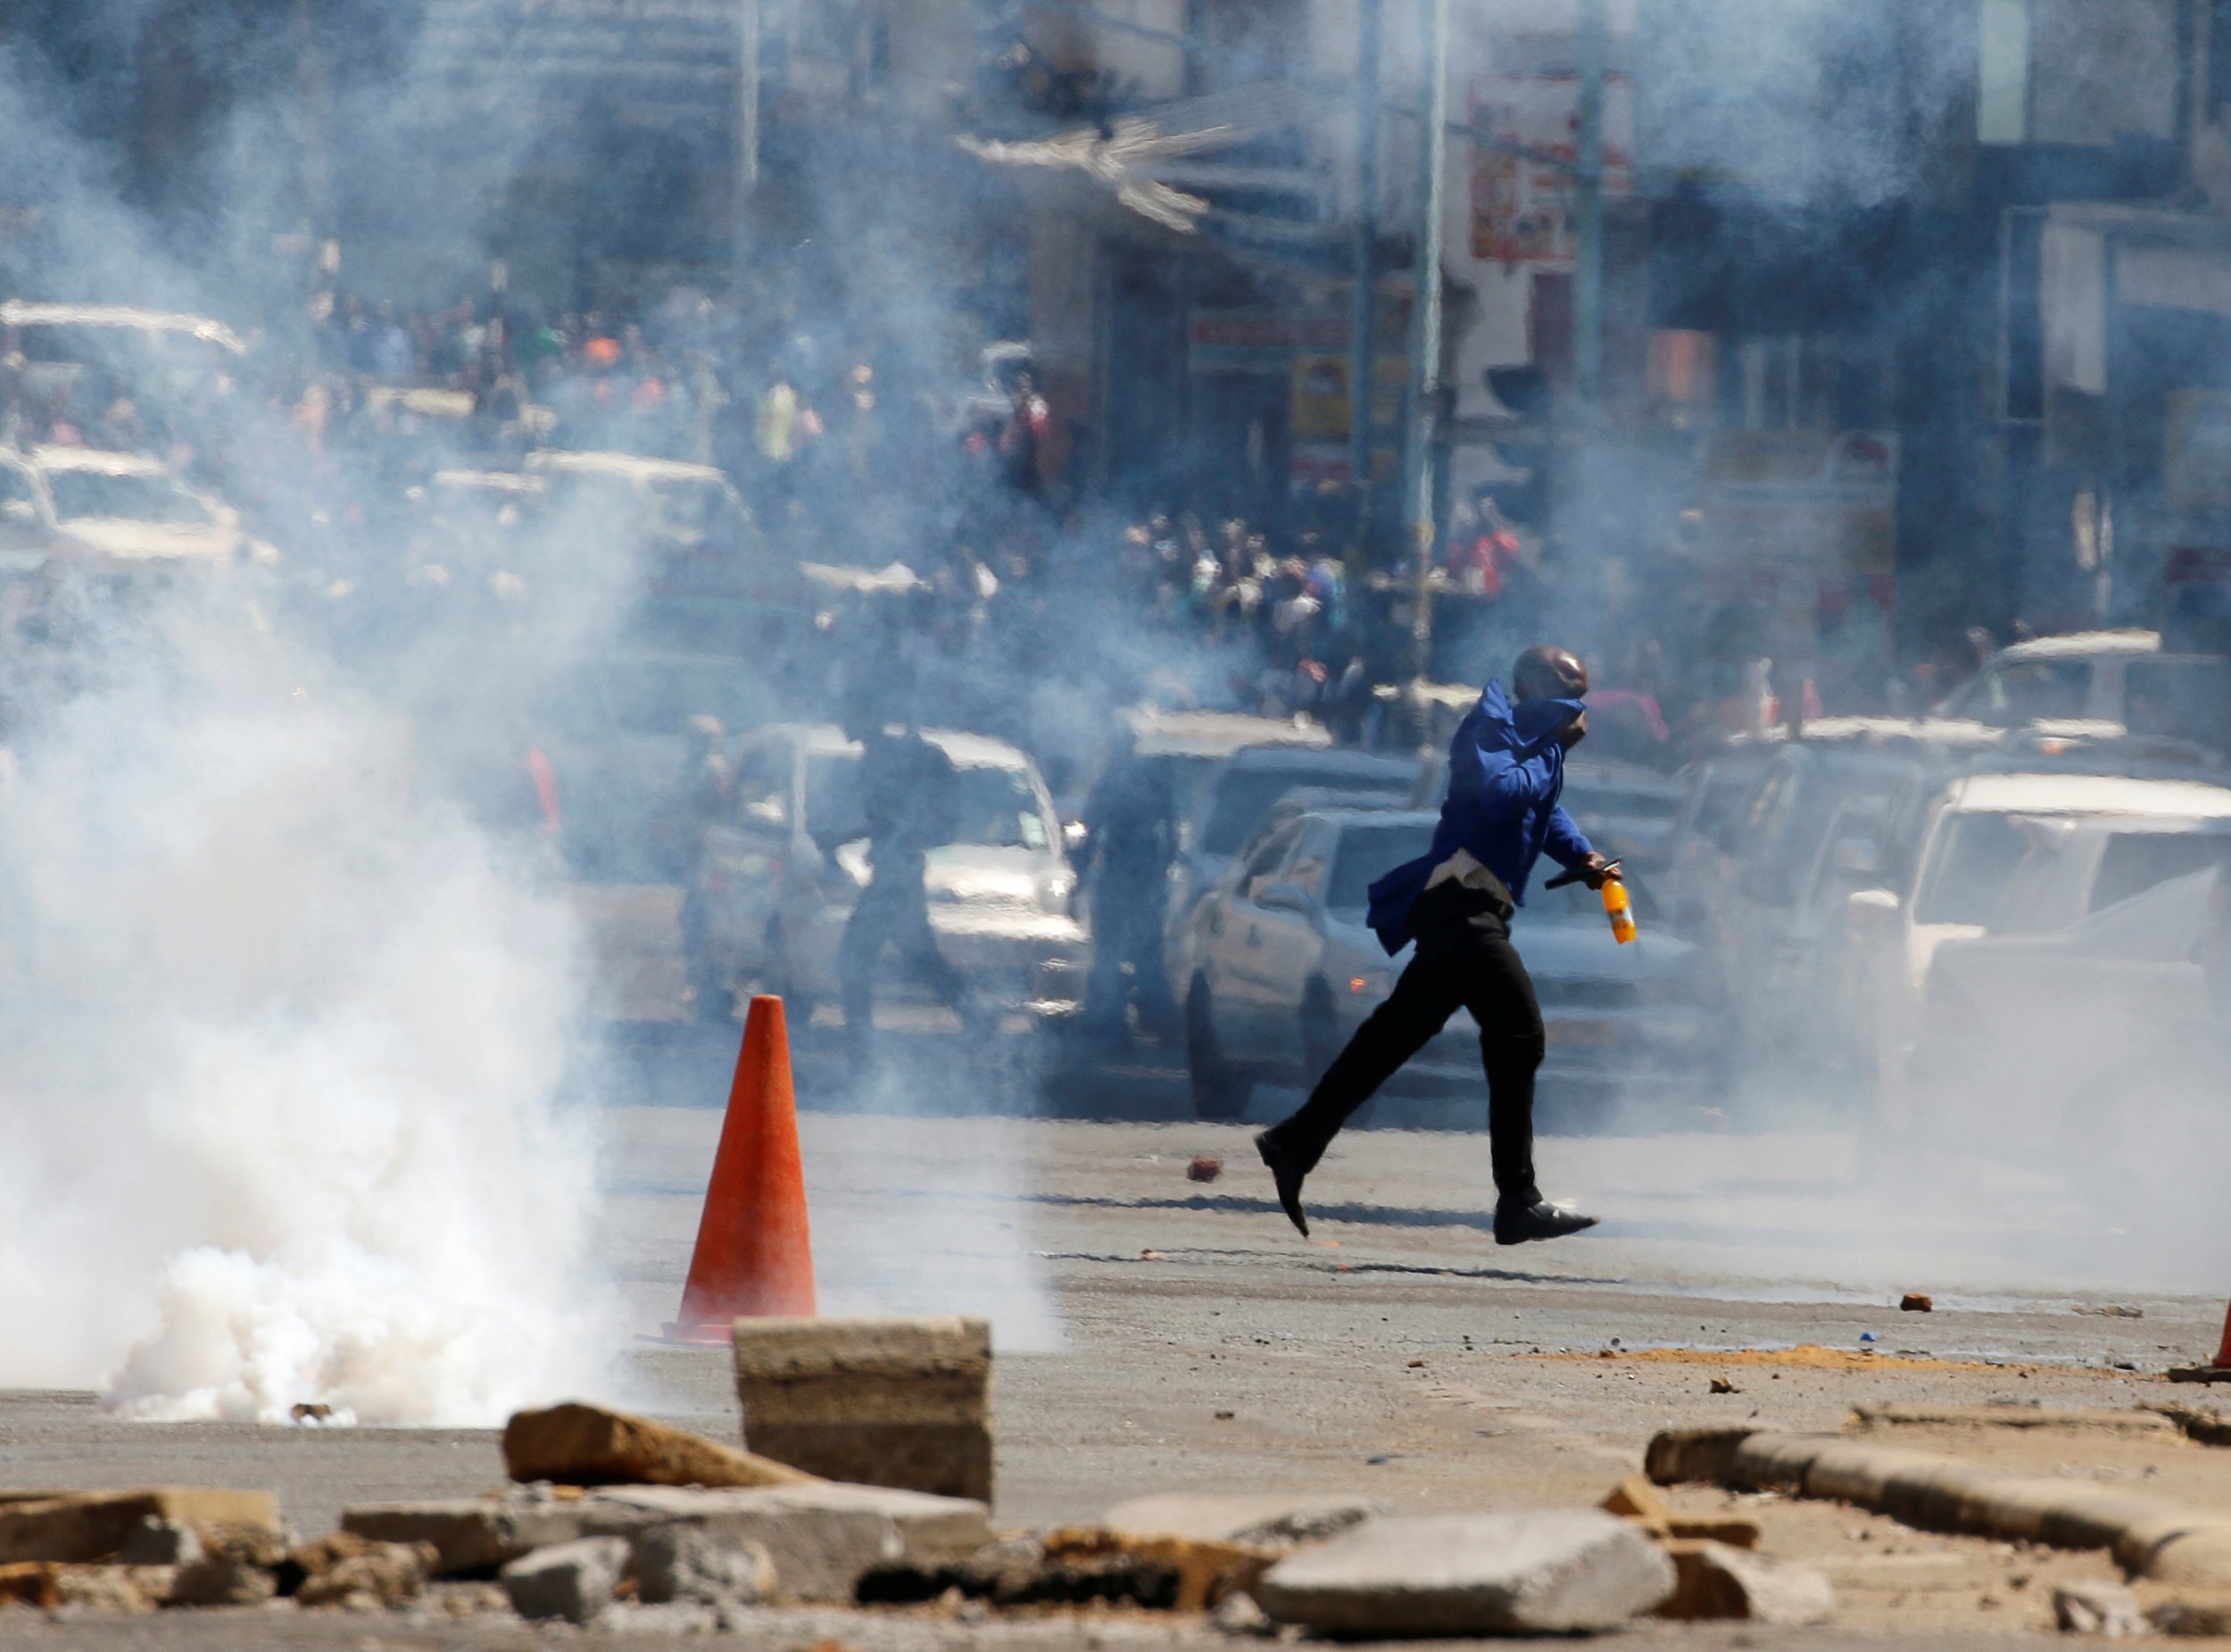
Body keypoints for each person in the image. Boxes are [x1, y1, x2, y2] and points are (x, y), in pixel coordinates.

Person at [1254, 645, 1614, 1246]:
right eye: (1572, 699)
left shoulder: (1530, 743)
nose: (1581, 715)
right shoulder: (1488, 730)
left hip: (1470, 912)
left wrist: (1583, 855)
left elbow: (1541, 813)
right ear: (1540, 692)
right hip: (1460, 910)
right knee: (1520, 1035)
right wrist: (1553, 747)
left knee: (1391, 1037)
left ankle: (1294, 1142)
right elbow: (1502, 797)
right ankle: (1518, 1201)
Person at [835, 705, 984, 1075]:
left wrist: (890, 845)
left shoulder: (888, 759)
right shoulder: (877, 757)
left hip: (897, 875)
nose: (845, 721)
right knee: (921, 959)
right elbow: (883, 823)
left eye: (851, 713)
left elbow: (905, 820)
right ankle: (981, 1019)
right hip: (896, 870)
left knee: (853, 959)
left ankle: (862, 1057)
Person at [1074, 724, 1181, 1045]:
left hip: (1119, 877)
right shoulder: (1154, 779)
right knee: (1147, 953)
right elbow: (1172, 833)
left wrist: (1079, 877)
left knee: (1109, 952)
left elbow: (1089, 833)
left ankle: (1110, 1023)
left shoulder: (1110, 781)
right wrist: (1162, 869)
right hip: (1147, 880)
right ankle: (1161, 1024)